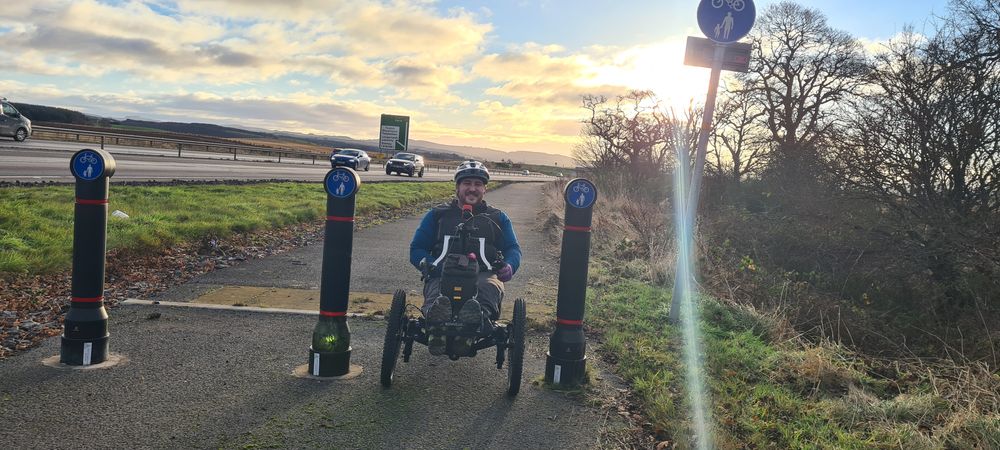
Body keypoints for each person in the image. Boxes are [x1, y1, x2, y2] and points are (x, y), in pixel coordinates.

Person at [410, 161, 522, 356]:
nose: (472, 188)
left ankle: (475, 322)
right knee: (437, 294)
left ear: (485, 189)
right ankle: (436, 325)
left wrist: (510, 266)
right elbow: (417, 248)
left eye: (478, 184)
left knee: (488, 289)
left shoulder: (497, 218)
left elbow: (513, 248)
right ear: (457, 187)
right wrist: (427, 264)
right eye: (467, 183)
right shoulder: (437, 215)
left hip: (484, 273)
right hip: (442, 272)